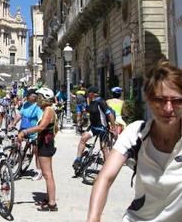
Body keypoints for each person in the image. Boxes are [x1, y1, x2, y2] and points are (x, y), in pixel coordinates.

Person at [87, 60, 182, 222]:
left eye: (176, 100)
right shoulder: (136, 133)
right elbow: (105, 177)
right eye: (160, 100)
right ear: (149, 101)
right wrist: (93, 218)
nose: (168, 108)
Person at [18, 87, 58, 211]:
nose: (37, 100)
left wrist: (25, 131)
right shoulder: (47, 109)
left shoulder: (48, 110)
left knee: (47, 174)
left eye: (39, 97)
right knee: (47, 173)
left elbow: (41, 127)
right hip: (45, 141)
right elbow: (54, 128)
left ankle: (52, 203)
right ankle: (49, 198)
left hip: (45, 143)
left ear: (45, 99)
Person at [73, 86, 115, 171]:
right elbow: (87, 112)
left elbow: (109, 114)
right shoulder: (92, 102)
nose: (87, 95)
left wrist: (113, 127)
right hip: (93, 127)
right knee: (83, 138)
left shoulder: (101, 102)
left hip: (103, 128)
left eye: (88, 94)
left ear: (92, 94)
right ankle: (78, 159)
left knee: (103, 147)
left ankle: (107, 169)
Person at [10, 88, 43, 180]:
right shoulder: (25, 105)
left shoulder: (38, 106)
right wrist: (13, 123)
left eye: (34, 96)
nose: (34, 97)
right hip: (23, 129)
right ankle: (17, 157)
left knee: (36, 151)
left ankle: (39, 171)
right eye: (32, 95)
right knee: (16, 142)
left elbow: (40, 119)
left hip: (33, 131)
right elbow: (19, 115)